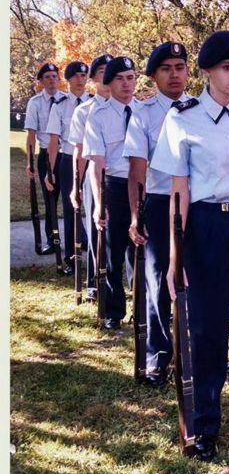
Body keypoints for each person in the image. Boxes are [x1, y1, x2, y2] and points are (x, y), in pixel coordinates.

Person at [151, 30, 229, 461]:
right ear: (207, 71)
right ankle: (205, 423)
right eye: (228, 68)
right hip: (205, 226)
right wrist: (175, 253)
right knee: (206, 328)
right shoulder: (182, 118)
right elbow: (179, 191)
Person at [124, 41, 193, 386]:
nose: (175, 75)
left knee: (200, 281)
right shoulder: (143, 113)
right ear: (153, 76)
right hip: (159, 201)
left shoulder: (200, 109)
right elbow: (137, 167)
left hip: (198, 204)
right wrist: (136, 214)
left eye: (180, 67)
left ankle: (198, 353)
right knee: (157, 281)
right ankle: (157, 357)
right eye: (166, 69)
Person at [83, 56, 140, 330]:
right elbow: (97, 164)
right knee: (113, 253)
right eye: (120, 78)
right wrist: (98, 203)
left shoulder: (146, 111)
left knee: (143, 253)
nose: (127, 84)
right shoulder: (99, 116)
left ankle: (144, 307)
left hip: (144, 188)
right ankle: (113, 312)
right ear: (109, 82)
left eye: (131, 78)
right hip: (115, 187)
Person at [69, 54, 113, 301]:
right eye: (102, 72)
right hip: (94, 176)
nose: (107, 77)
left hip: (122, 178)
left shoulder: (129, 107)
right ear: (94, 78)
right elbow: (79, 150)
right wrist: (76, 185)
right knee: (96, 228)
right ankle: (95, 283)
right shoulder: (84, 111)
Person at [45, 61, 92, 274]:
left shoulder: (95, 103)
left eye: (84, 75)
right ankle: (72, 259)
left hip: (91, 160)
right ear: (69, 79)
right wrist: (50, 171)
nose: (81, 79)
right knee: (71, 208)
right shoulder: (60, 105)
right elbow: (53, 141)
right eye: (76, 76)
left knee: (94, 207)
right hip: (67, 160)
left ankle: (96, 254)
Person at [24, 62, 66, 254]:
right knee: (51, 198)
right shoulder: (35, 103)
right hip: (46, 156)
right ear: (40, 81)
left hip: (65, 154)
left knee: (71, 196)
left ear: (59, 79)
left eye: (54, 76)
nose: (51, 80)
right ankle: (52, 238)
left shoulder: (67, 100)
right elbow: (31, 134)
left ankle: (78, 237)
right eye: (47, 77)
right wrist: (29, 163)